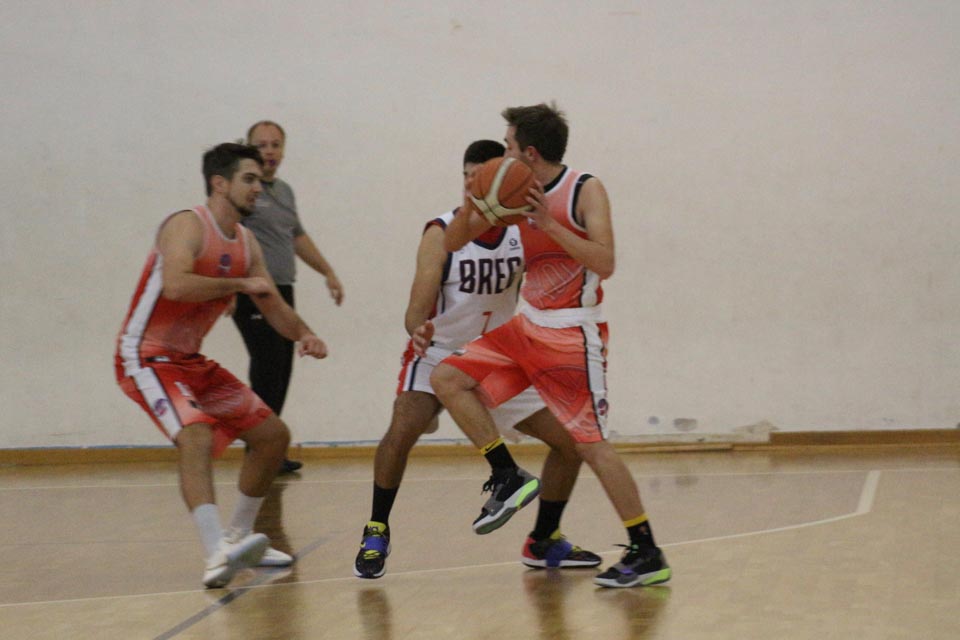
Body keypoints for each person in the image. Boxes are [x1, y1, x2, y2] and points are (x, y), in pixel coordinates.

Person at [431, 104, 672, 588]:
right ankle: (507, 476)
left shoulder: (585, 189)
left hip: (571, 333)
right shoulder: (511, 192)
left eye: (508, 145)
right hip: (528, 327)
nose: (502, 153)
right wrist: (474, 203)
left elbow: (605, 262)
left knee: (590, 446)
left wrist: (549, 223)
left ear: (530, 152)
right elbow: (452, 243)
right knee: (447, 378)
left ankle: (646, 550)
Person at [354, 140, 601, 579]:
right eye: (468, 175)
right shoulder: (441, 232)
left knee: (572, 443)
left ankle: (543, 539)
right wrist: (418, 328)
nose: (473, 184)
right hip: (439, 354)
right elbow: (415, 309)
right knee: (402, 430)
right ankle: (376, 529)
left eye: (482, 175)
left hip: (497, 359)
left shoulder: (523, 231)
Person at [114, 143, 329, 588]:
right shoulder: (187, 225)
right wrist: (237, 284)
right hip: (146, 356)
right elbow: (175, 285)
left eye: (260, 181)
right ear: (219, 183)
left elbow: (271, 302)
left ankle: (238, 538)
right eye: (249, 179)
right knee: (194, 434)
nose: (257, 188)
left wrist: (304, 334)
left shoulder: (246, 242)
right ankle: (215, 553)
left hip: (189, 361)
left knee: (272, 437)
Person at [232, 120, 343, 474]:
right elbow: (228, 237)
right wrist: (231, 287)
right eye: (261, 145)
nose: (269, 151)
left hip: (283, 289)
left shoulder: (285, 192)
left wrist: (327, 271)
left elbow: (297, 237)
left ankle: (269, 449)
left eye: (275, 144)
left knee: (281, 369)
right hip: (253, 292)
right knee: (267, 367)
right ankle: (259, 449)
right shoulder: (244, 192)